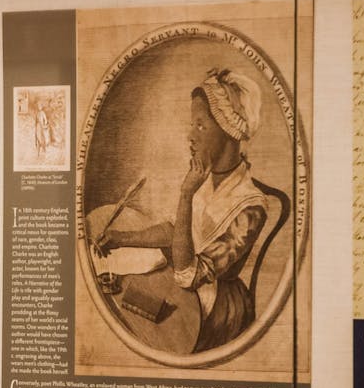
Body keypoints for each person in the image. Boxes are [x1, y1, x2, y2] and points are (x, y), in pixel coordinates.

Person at [97, 68, 268, 351]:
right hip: (184, 289)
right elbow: (175, 232)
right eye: (192, 124)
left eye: (200, 126)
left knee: (144, 325)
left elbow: (188, 276)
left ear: (228, 131)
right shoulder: (205, 176)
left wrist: (186, 195)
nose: (190, 135)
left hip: (216, 310)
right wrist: (120, 238)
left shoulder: (252, 207)